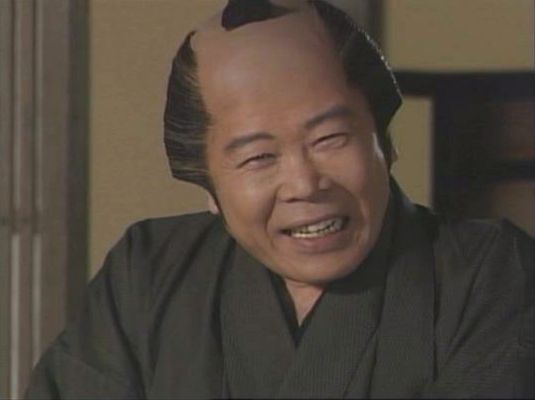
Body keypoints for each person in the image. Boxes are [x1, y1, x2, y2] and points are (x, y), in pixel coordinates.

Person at [26, 0, 534, 398]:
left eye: (329, 138)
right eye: (258, 158)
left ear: (385, 140)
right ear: (209, 186)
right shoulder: (151, 272)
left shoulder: (488, 273)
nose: (304, 183)